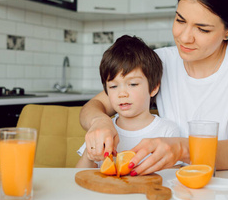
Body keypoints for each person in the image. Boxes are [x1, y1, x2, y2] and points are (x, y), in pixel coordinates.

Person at [79, 0, 228, 175]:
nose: (185, 37)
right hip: (181, 187)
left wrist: (181, 149)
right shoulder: (161, 61)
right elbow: (95, 106)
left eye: (202, 29)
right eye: (180, 20)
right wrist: (100, 121)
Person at [75, 35, 179, 168]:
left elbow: (173, 177)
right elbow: (78, 174)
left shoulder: (167, 131)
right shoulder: (104, 130)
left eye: (133, 84)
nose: (122, 94)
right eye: (113, 86)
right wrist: (90, 155)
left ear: (153, 88)